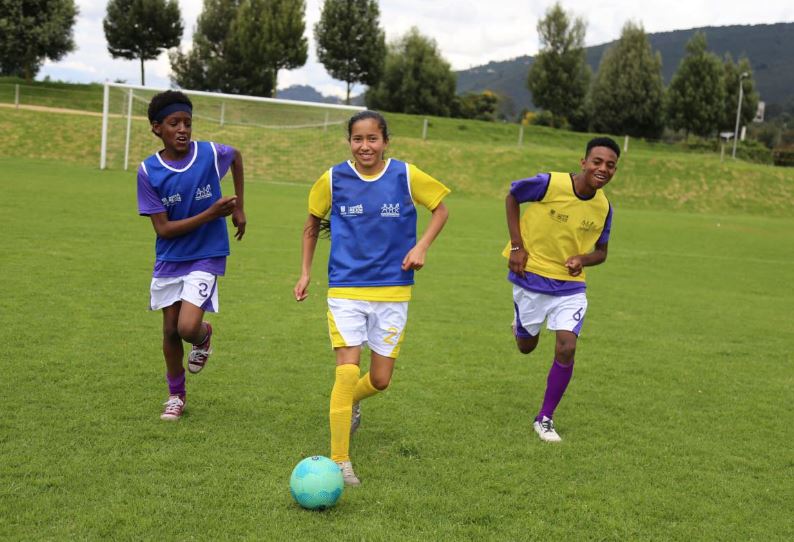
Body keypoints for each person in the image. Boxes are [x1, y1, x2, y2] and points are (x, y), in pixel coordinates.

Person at [294, 110, 450, 485]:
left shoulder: (406, 175)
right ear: (349, 141)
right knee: (346, 371)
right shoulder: (332, 178)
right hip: (346, 289)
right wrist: (304, 272)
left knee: (379, 380)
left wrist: (422, 246)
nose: (365, 146)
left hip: (394, 291)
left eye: (372, 139)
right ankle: (339, 460)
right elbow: (311, 224)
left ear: (385, 141)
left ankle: (354, 401)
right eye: (357, 139)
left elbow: (441, 209)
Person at [136, 90, 246, 421]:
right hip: (171, 256)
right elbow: (164, 230)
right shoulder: (147, 172)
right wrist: (212, 213)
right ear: (157, 128)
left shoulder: (211, 153)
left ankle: (202, 335)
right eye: (174, 123)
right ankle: (175, 396)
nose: (182, 129)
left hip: (207, 254)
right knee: (169, 331)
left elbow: (237, 156)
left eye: (187, 122)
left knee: (186, 327)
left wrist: (239, 205)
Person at [504, 137, 619, 442]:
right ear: (583, 163)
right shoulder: (549, 183)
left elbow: (602, 253)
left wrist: (582, 258)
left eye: (610, 165)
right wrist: (517, 246)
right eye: (597, 161)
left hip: (570, 287)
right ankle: (520, 325)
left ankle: (545, 418)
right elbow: (512, 196)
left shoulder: (604, 208)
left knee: (567, 345)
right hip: (531, 275)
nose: (603, 169)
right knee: (526, 347)